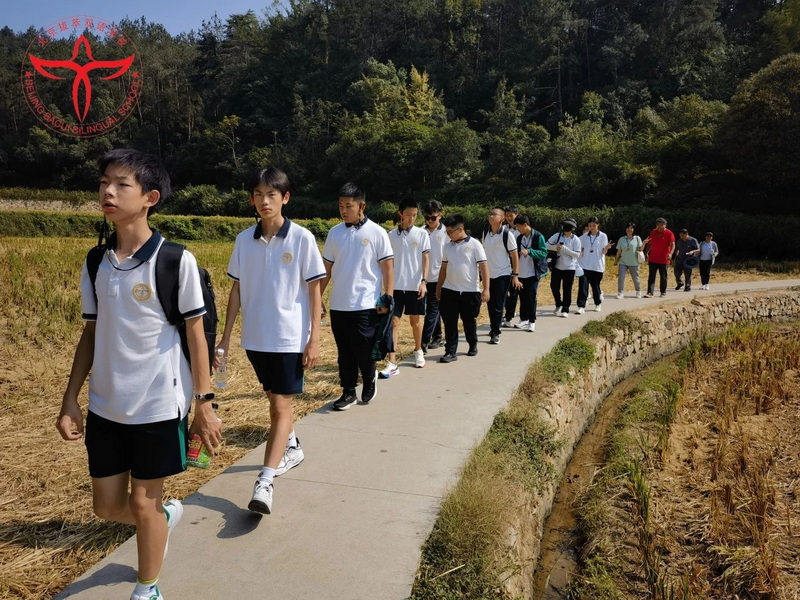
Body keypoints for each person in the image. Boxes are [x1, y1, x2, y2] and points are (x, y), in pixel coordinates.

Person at [56, 149, 222, 600]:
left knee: (142, 503)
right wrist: (71, 399)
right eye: (103, 183)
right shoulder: (96, 262)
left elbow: (196, 336)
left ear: (150, 197)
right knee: (108, 507)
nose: (107, 192)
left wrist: (204, 404)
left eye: (121, 184)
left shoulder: (174, 260)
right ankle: (163, 519)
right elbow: (91, 334)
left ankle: (147, 588)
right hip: (107, 405)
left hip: (157, 405)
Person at [217, 167, 324, 515]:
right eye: (259, 195)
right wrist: (225, 337)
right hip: (256, 338)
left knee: (280, 407)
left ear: (285, 198)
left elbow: (314, 290)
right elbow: (237, 289)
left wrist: (314, 338)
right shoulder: (243, 241)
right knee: (272, 398)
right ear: (252, 199)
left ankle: (264, 482)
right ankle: (292, 445)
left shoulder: (302, 238)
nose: (265, 201)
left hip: (289, 337)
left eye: (272, 195)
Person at [321, 183, 394, 411]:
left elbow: (388, 267)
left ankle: (369, 375)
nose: (343, 210)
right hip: (339, 303)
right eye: (340, 206)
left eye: (348, 206)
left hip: (366, 303)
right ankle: (348, 391)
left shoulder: (377, 232)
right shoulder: (334, 233)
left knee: (363, 347)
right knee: (344, 351)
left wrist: (388, 297)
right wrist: (317, 298)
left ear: (361, 206)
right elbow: (326, 270)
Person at [380, 198, 430, 377]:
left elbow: (426, 259)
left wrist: (424, 281)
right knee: (393, 322)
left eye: (415, 215)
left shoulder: (422, 234)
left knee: (415, 321)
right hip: (395, 286)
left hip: (415, 286)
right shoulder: (390, 235)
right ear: (400, 214)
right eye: (408, 215)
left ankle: (418, 350)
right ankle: (392, 361)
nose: (412, 218)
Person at [436, 214, 490, 362]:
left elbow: (484, 267)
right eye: (446, 232)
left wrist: (486, 289)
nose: (448, 235)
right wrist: (439, 287)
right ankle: (450, 351)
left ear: (460, 229)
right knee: (449, 322)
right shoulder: (447, 246)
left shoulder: (475, 244)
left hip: (469, 291)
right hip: (449, 290)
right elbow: (443, 268)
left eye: (450, 232)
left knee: (469, 321)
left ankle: (472, 344)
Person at [483, 206, 521, 344]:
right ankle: (494, 326)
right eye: (490, 214)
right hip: (488, 274)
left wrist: (515, 275)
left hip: (503, 274)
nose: (491, 216)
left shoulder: (506, 234)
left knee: (498, 304)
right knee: (489, 303)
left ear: (502, 219)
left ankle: (495, 332)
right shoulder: (485, 233)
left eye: (494, 214)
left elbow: (514, 255)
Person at [512, 215, 548, 331]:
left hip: (533, 272)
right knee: (522, 297)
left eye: (518, 227)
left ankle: (532, 321)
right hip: (521, 272)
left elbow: (543, 253)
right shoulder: (519, 238)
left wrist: (530, 251)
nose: (517, 229)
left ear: (525, 225)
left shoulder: (538, 236)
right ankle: (523, 319)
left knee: (531, 297)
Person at [420, 200, 446, 353]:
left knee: (432, 310)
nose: (430, 221)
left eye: (433, 218)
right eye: (427, 218)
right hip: (423, 278)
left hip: (439, 278)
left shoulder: (446, 233)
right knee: (432, 309)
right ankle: (437, 336)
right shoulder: (421, 232)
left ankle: (423, 341)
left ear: (440, 215)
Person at [576, 216, 614, 313]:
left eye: (594, 225)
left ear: (598, 225)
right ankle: (581, 306)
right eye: (590, 225)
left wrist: (606, 248)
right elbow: (580, 247)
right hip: (584, 265)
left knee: (595, 286)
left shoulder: (603, 236)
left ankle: (598, 303)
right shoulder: (584, 237)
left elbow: (604, 252)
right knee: (583, 286)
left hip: (597, 266)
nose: (591, 227)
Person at [547, 218, 582, 317]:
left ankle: (565, 309)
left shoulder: (576, 239)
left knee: (567, 289)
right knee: (554, 286)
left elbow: (577, 254)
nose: (566, 228)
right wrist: (555, 247)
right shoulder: (557, 236)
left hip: (570, 267)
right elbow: (546, 245)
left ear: (573, 228)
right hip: (557, 266)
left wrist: (565, 249)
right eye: (565, 225)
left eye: (569, 226)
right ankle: (558, 303)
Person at [642, 217, 675, 298]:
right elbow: (650, 243)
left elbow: (672, 245)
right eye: (658, 225)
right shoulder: (653, 232)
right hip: (653, 258)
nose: (659, 226)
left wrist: (670, 254)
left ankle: (663, 292)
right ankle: (650, 292)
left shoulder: (669, 233)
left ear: (665, 225)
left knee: (663, 276)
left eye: (661, 225)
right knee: (651, 276)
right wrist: (646, 253)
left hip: (664, 259)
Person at [502, 205, 520, 326]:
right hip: (503, 264)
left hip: (517, 264)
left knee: (513, 293)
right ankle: (508, 312)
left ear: (516, 215)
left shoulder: (521, 229)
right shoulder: (503, 229)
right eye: (507, 215)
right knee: (503, 292)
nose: (509, 218)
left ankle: (509, 316)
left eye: (511, 215)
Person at [614, 223, 643, 298]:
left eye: (631, 228)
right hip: (623, 262)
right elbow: (619, 251)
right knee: (621, 277)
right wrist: (616, 260)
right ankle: (620, 292)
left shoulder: (637, 238)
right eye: (628, 228)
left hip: (634, 262)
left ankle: (638, 291)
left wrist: (644, 243)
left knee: (635, 278)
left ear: (634, 230)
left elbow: (640, 249)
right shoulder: (621, 239)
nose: (629, 230)